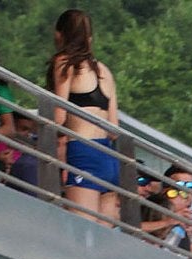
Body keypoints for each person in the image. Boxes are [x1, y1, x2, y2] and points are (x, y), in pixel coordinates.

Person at [48, 9, 119, 225]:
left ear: (59, 34)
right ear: (89, 37)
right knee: (103, 238)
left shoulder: (64, 62)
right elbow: (114, 128)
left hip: (83, 152)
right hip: (109, 156)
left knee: (82, 230)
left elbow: (58, 116)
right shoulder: (103, 70)